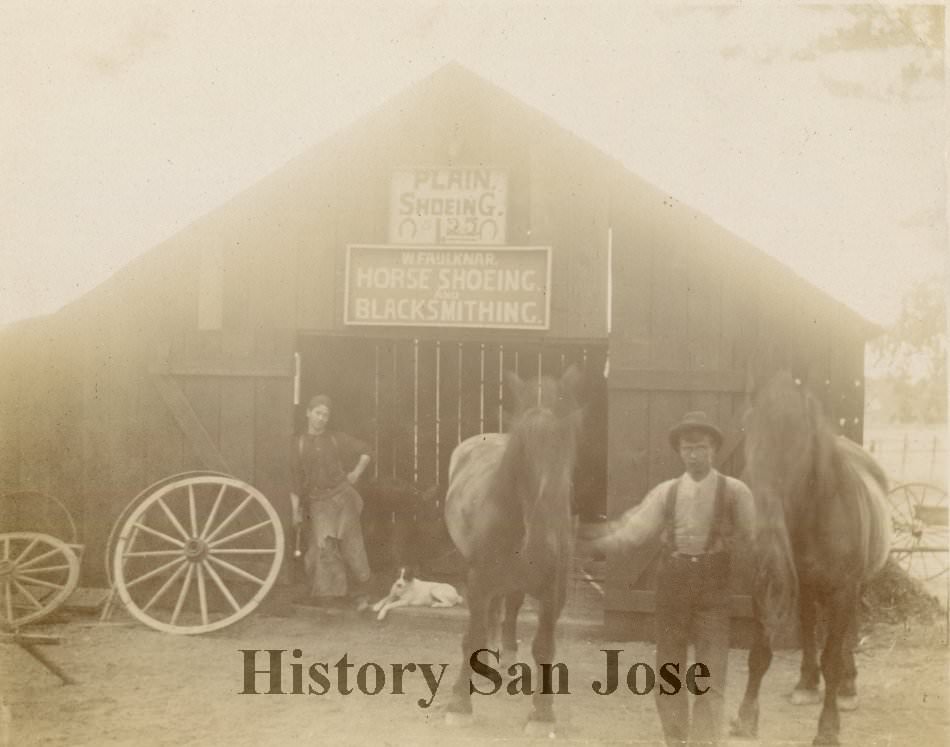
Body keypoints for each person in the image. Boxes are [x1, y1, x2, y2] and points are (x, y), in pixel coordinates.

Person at [597, 411, 755, 747]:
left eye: (701, 447)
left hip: (714, 587)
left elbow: (754, 538)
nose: (694, 454)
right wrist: (599, 543)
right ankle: (676, 739)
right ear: (680, 452)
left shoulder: (735, 492)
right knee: (669, 668)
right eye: (687, 448)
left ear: (713, 449)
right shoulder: (666, 492)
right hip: (673, 586)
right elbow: (634, 531)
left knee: (710, 672)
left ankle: (705, 741)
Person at [290, 394, 373, 608]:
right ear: (308, 413)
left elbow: (365, 451)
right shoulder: (298, 444)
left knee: (352, 545)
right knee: (325, 547)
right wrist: (295, 512)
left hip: (343, 497)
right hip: (318, 501)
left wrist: (355, 473)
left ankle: (361, 595)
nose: (321, 418)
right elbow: (295, 481)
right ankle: (331, 598)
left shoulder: (336, 438)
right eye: (318, 413)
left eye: (325, 415)